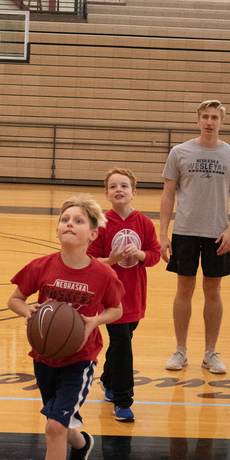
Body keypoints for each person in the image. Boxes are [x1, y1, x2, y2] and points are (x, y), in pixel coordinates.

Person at [7, 194, 124, 460]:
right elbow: (15, 299)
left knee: (54, 428)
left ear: (93, 234)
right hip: (44, 356)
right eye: (65, 220)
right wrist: (26, 311)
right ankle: (82, 444)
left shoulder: (103, 274)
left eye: (79, 221)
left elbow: (117, 310)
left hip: (80, 360)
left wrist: (93, 321)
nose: (70, 224)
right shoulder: (41, 266)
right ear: (57, 231)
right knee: (61, 424)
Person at [159, 99, 230, 374]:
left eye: (215, 117)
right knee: (183, 290)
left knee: (213, 292)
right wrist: (163, 234)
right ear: (198, 120)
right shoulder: (179, 152)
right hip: (184, 232)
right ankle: (180, 351)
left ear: (222, 122)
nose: (210, 121)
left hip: (216, 235)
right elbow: (168, 194)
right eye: (205, 116)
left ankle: (210, 353)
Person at [87, 167, 160, 422]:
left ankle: (107, 379)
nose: (119, 189)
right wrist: (112, 259)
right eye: (113, 186)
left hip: (136, 295)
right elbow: (91, 260)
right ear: (106, 194)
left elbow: (155, 255)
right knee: (122, 344)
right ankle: (123, 400)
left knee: (123, 340)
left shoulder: (144, 223)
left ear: (133, 193)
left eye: (124, 186)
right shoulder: (101, 224)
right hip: (111, 297)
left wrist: (140, 255)